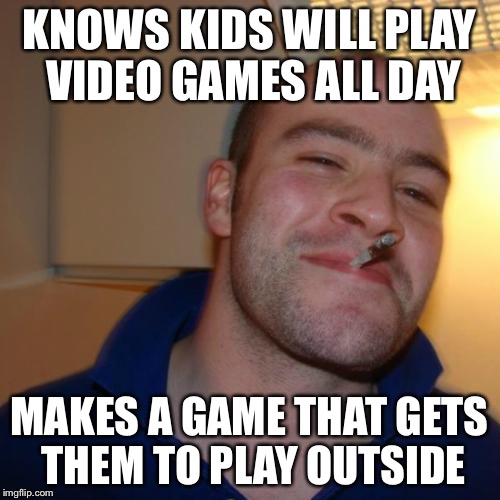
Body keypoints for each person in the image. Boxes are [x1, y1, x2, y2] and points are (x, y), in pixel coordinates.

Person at [1, 57, 498, 499]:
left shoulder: (484, 467)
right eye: (324, 161)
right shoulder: (25, 457)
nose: (381, 214)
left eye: (416, 192)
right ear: (223, 198)